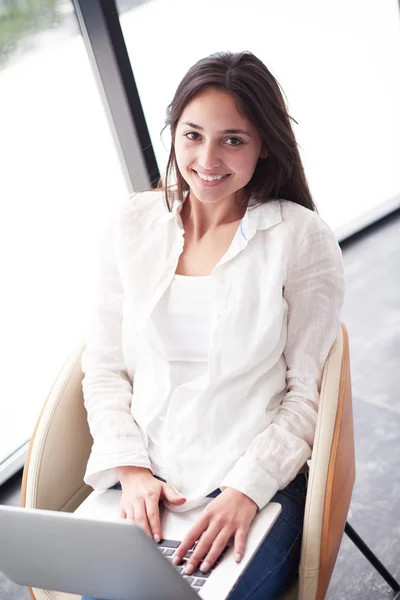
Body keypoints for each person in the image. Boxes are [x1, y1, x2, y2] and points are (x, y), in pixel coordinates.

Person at [81, 51, 344, 600]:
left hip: (254, 484)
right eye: (193, 134)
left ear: (265, 143)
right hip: (149, 484)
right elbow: (104, 367)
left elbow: (307, 397)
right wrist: (132, 473)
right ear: (172, 131)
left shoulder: (301, 238)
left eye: (233, 139)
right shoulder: (132, 224)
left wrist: (244, 492)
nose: (206, 158)